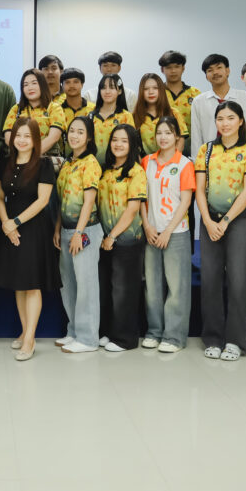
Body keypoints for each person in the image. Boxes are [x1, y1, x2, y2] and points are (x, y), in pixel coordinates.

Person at [194, 101, 246, 361]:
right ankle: (212, 338)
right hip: (209, 222)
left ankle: (235, 341)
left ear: (241, 121)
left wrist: (225, 221)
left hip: (238, 223)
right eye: (220, 118)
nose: (225, 123)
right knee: (210, 280)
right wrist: (208, 221)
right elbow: (200, 189)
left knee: (239, 282)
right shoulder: (206, 150)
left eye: (231, 118)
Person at [0, 118, 59, 361]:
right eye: (18, 135)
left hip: (34, 228)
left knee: (32, 283)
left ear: (36, 139)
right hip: (10, 227)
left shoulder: (43, 164)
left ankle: (30, 338)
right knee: (18, 283)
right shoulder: (5, 163)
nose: (22, 140)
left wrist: (15, 222)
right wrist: (6, 223)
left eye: (27, 136)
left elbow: (43, 200)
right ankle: (24, 329)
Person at [139, 116, 194, 353]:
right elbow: (141, 197)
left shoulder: (184, 164)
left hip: (176, 233)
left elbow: (186, 201)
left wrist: (168, 231)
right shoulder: (146, 162)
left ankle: (174, 336)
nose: (163, 137)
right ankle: (154, 332)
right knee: (152, 286)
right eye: (159, 133)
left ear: (177, 137)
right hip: (151, 232)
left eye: (168, 133)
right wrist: (147, 226)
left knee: (177, 287)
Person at [54, 116, 102, 354]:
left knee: (86, 285)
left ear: (89, 137)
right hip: (65, 229)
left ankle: (88, 338)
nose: (74, 135)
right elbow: (62, 200)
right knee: (69, 284)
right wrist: (57, 229)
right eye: (71, 131)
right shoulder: (67, 163)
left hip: (85, 230)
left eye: (80, 132)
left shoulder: (90, 163)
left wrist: (79, 232)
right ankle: (73, 331)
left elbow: (89, 201)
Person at [97, 124, 147, 352]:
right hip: (105, 239)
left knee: (124, 291)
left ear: (132, 145)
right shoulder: (106, 170)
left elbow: (133, 209)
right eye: (115, 140)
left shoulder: (136, 171)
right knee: (107, 289)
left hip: (126, 239)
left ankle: (125, 339)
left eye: (124, 141)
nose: (118, 144)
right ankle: (108, 331)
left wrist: (113, 235)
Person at [189, 54, 246, 156]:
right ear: (206, 76)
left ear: (227, 71)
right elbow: (196, 136)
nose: (215, 72)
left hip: (240, 157)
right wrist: (197, 161)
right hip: (210, 157)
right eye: (210, 70)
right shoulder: (198, 101)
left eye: (219, 67)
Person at [2, 69, 66, 156]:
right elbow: (8, 137)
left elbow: (53, 137)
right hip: (19, 157)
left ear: (42, 85)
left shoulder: (54, 108)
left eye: (34, 83)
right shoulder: (16, 109)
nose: (30, 88)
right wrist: (22, 155)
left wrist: (32, 156)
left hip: (46, 158)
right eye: (26, 85)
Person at [134, 73, 188, 155]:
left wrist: (169, 160)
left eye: (155, 88)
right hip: (144, 161)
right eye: (146, 89)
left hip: (171, 160)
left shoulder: (174, 113)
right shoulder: (134, 116)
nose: (151, 92)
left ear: (161, 90)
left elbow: (181, 141)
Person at [159, 51, 200, 157]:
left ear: (183, 68)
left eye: (177, 66)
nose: (173, 71)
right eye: (169, 67)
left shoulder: (195, 94)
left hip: (191, 148)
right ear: (162, 70)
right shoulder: (157, 93)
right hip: (161, 147)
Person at [90, 73, 134, 164]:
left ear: (120, 91)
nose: (107, 91)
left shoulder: (126, 116)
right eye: (103, 88)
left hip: (117, 167)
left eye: (112, 87)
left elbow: (132, 145)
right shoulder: (91, 116)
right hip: (92, 167)